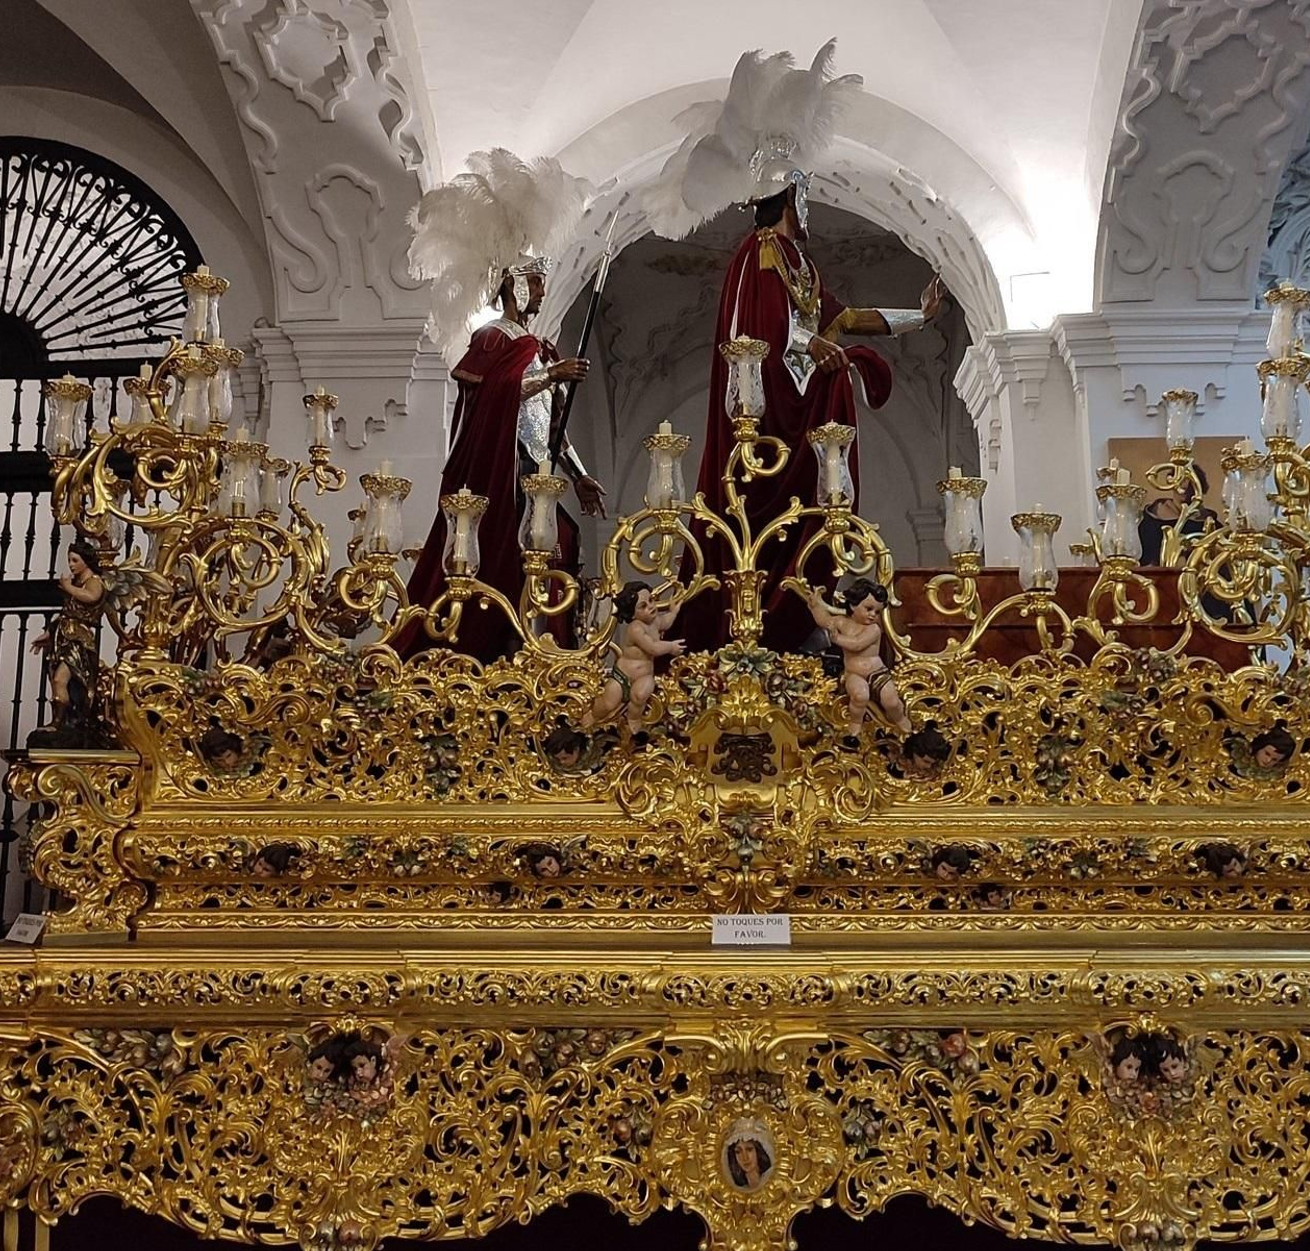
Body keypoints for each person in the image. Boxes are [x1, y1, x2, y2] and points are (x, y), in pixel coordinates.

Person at [644, 43, 942, 650]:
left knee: (811, 514)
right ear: (791, 196)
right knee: (757, 517)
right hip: (772, 405)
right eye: (804, 194)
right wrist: (819, 350)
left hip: (800, 398)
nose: (809, 206)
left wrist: (921, 315)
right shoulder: (759, 254)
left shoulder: (800, 262)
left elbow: (845, 316)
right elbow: (765, 333)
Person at [397, 256, 607, 660]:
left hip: (536, 472)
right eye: (537, 282)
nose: (543, 292)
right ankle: (500, 641)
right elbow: (492, 393)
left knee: (561, 541)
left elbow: (552, 428)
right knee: (507, 552)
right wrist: (551, 375)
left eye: (543, 283)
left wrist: (578, 475)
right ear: (515, 285)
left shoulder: (541, 350)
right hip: (501, 469)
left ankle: (542, 643)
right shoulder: (493, 338)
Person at [801, 578, 911, 740]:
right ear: (853, 605)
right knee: (860, 696)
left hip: (877, 672)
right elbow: (824, 621)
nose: (873, 615)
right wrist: (815, 606)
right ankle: (855, 722)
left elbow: (857, 644)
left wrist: (836, 638)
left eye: (877, 612)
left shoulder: (873, 629)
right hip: (854, 673)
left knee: (892, 701)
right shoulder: (841, 622)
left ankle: (900, 718)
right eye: (869, 609)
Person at [29, 539, 106, 742]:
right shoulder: (77, 582)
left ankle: (58, 722)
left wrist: (68, 587)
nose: (71, 565)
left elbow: (91, 597)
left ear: (86, 561)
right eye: (69, 560)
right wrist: (48, 633)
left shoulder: (94, 581)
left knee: (61, 679)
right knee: (58, 679)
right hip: (63, 636)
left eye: (75, 560)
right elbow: (66, 613)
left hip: (78, 640)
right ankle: (62, 721)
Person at [585, 582, 686, 736]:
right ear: (632, 614)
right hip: (623, 676)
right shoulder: (636, 629)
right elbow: (652, 647)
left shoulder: (655, 621)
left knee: (639, 696)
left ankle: (633, 719)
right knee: (608, 702)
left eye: (651, 601)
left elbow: (666, 622)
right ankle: (592, 715)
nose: (651, 607)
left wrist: (674, 611)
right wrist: (671, 647)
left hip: (644, 675)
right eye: (643, 606)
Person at [1138, 466, 1217, 567]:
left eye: (1190, 489)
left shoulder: (1210, 524)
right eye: (1181, 487)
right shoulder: (1151, 523)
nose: (1184, 494)